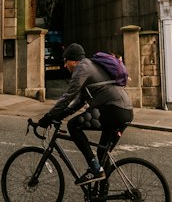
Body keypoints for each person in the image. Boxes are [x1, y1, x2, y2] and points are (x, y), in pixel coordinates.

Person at [37, 43, 133, 183]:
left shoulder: (82, 68)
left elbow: (68, 96)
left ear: (74, 60)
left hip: (113, 110)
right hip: (125, 112)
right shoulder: (90, 68)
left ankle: (94, 168)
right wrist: (60, 115)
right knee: (102, 155)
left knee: (73, 126)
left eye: (66, 61)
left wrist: (48, 116)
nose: (65, 65)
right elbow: (79, 102)